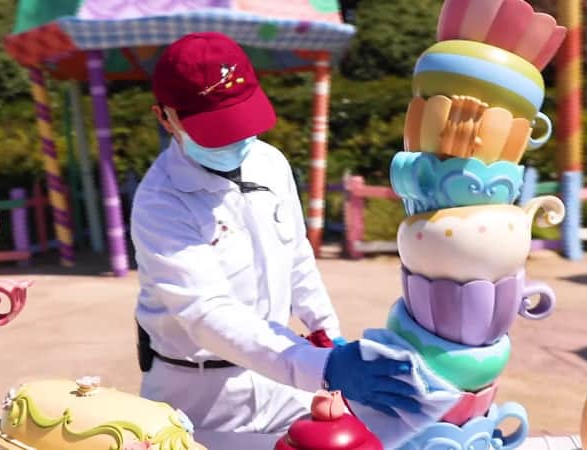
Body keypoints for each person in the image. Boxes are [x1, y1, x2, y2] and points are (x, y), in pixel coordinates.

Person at [131, 32, 426, 434]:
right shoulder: (160, 201)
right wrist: (320, 367)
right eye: (217, 129)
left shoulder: (269, 163)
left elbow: (295, 254)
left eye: (241, 121)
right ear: (164, 117)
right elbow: (207, 313)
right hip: (201, 396)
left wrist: (326, 333)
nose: (237, 139)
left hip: (283, 380)